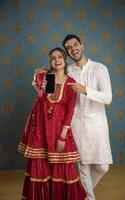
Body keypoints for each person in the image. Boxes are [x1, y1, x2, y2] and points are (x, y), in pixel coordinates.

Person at [18, 47, 88, 200]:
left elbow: (70, 111)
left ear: (65, 60)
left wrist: (62, 136)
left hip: (59, 130)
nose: (56, 60)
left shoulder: (71, 83)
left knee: (63, 165)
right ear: (50, 62)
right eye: (52, 58)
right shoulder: (46, 78)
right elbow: (43, 102)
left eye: (59, 57)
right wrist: (39, 88)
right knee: (41, 162)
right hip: (42, 129)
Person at [62, 34, 113, 200]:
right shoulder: (67, 70)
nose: (73, 49)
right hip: (77, 124)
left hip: (97, 123)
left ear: (82, 45)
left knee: (103, 166)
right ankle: (89, 198)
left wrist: (85, 90)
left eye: (75, 45)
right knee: (84, 165)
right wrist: (38, 76)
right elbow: (52, 90)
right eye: (69, 48)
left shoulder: (100, 68)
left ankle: (82, 193)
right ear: (67, 52)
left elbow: (107, 98)